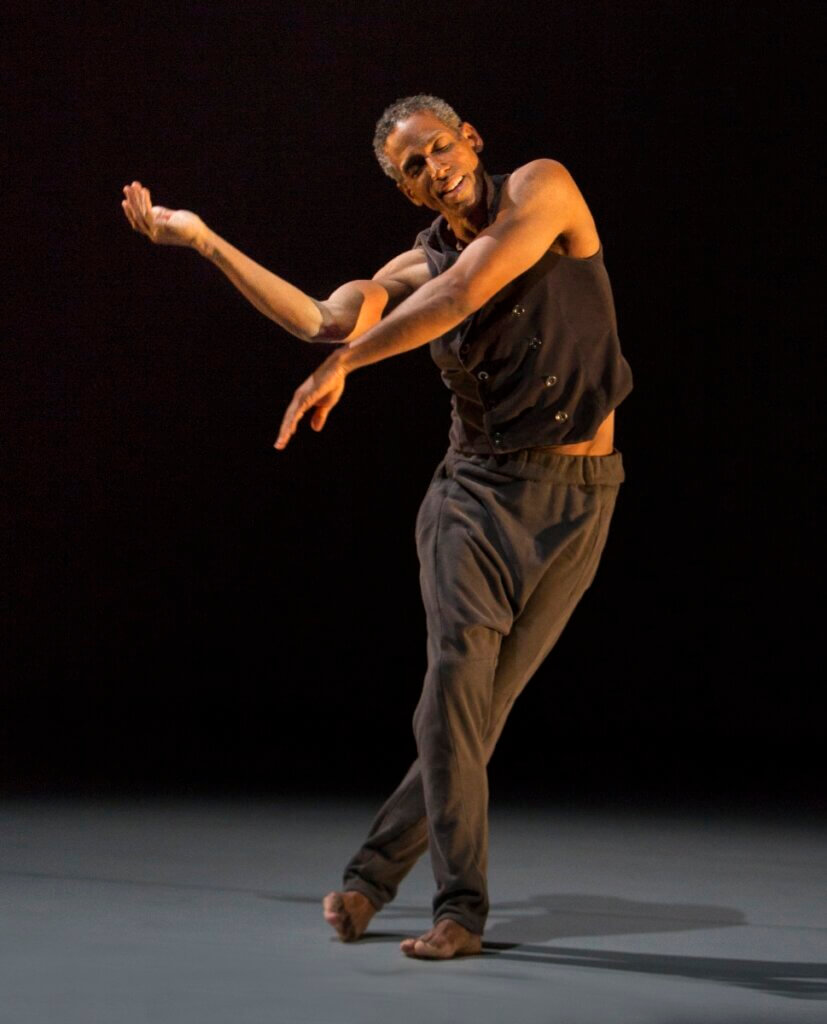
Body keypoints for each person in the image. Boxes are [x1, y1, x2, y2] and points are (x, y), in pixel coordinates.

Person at [122, 94, 632, 960]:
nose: (435, 169)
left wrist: (348, 365)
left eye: (439, 148)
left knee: (473, 713)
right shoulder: (413, 263)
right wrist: (204, 241)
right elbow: (321, 318)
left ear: (469, 138)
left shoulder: (543, 189)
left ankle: (365, 882)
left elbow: (470, 287)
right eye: (413, 168)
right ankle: (459, 911)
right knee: (456, 689)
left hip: (582, 494)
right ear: (407, 190)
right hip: (474, 496)